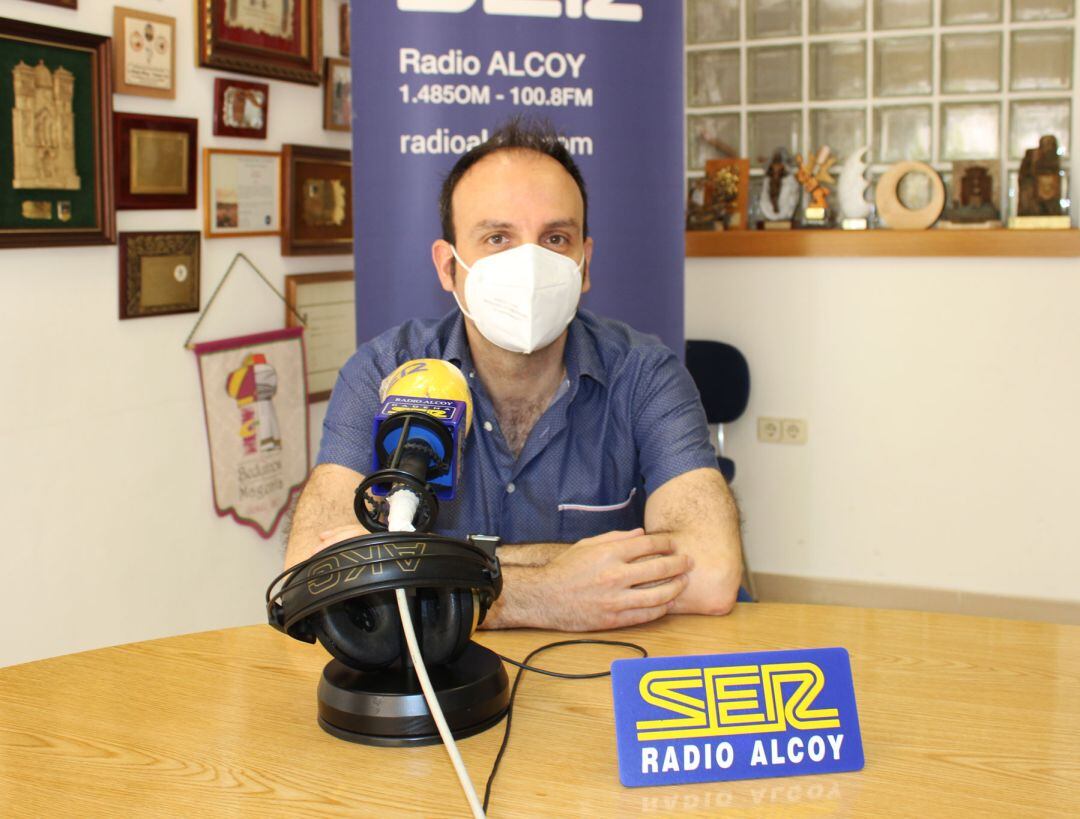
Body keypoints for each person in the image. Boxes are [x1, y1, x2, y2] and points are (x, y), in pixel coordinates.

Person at [284, 120, 743, 631]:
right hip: (436, 686)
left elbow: (711, 572)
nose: (529, 263)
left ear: (584, 264)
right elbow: (314, 572)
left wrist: (415, 570)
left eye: (555, 237)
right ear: (448, 267)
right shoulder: (382, 372)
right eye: (497, 237)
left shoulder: (645, 374)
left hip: (598, 677)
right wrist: (538, 593)